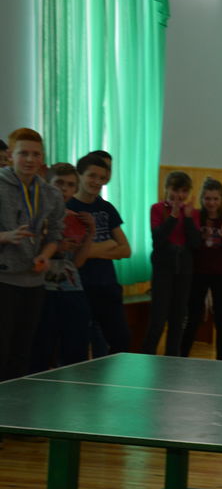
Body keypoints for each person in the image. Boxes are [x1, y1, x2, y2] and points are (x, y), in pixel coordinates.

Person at [0, 128, 64, 379]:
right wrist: (6, 236)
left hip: (34, 282)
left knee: (22, 350)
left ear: (42, 158)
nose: (29, 159)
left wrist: (45, 255)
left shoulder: (50, 193)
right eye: (23, 153)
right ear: (10, 155)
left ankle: (14, 401)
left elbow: (55, 234)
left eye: (35, 154)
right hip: (4, 280)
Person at [31, 163, 95, 371]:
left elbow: (78, 262)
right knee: (43, 347)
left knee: (76, 347)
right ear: (48, 184)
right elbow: (28, 251)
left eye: (70, 185)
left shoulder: (75, 218)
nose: (64, 189)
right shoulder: (35, 214)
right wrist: (55, 247)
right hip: (44, 288)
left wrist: (91, 232)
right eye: (59, 183)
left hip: (72, 288)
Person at [69, 152, 132, 354]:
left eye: (102, 178)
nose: (97, 182)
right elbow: (73, 256)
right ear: (79, 175)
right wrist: (107, 245)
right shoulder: (69, 207)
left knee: (121, 341)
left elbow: (126, 249)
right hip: (79, 287)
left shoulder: (106, 208)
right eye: (92, 176)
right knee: (78, 344)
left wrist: (89, 251)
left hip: (107, 286)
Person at [143, 170, 200, 356]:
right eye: (175, 190)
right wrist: (173, 217)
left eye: (184, 191)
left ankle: (172, 360)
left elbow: (195, 243)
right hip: (163, 269)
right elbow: (157, 239)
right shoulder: (157, 208)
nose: (179, 195)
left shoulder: (192, 212)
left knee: (178, 319)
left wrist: (188, 219)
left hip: (184, 269)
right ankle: (147, 357)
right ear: (166, 189)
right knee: (158, 319)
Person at [181, 177, 222, 360]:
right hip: (198, 273)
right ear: (202, 198)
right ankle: (181, 357)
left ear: (221, 199)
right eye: (207, 198)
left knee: (220, 317)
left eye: (215, 199)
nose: (211, 203)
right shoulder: (196, 217)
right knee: (193, 317)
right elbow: (192, 246)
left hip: (220, 274)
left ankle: (221, 360)